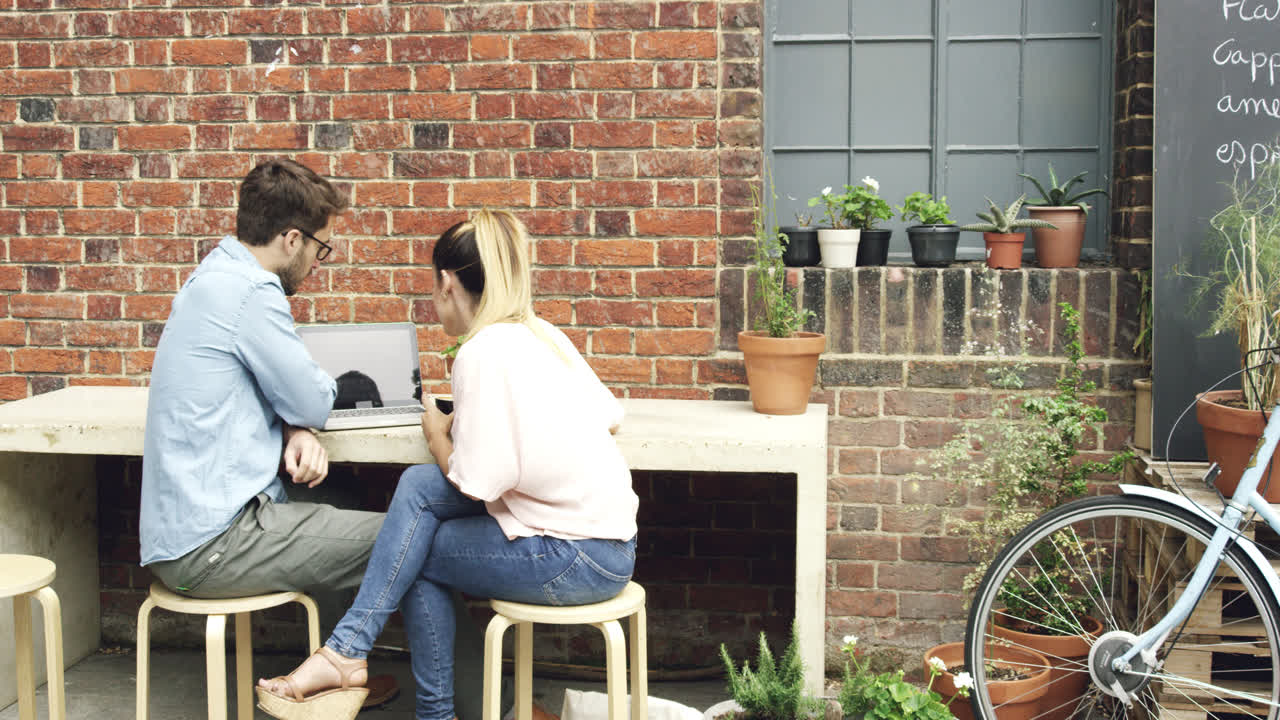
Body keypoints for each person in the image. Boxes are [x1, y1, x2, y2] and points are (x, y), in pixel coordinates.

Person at [257, 209, 639, 720]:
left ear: (446, 283)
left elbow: (477, 483)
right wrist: (493, 417)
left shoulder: (480, 352)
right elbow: (610, 415)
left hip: (569, 557)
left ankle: (356, 660)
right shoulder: (540, 332)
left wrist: (439, 431)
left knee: (410, 551)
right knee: (414, 506)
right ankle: (351, 658)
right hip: (614, 548)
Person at [139, 158, 403, 707]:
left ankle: (344, 674)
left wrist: (293, 427)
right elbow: (312, 395)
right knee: (405, 535)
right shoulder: (253, 293)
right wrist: (304, 415)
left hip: (184, 530)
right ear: (291, 239)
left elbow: (259, 391)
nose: (317, 262)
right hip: (212, 544)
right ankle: (487, 707)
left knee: (343, 498)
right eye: (320, 247)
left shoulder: (212, 275)